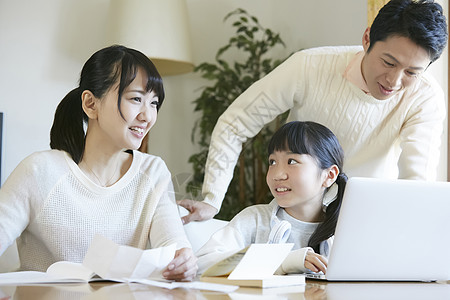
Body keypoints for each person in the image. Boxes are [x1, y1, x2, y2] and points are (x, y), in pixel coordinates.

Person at [178, 0, 448, 224]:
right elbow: (235, 123)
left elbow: (417, 182)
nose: (394, 80)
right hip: (294, 217)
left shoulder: (425, 97)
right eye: (388, 62)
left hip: (367, 223)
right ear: (367, 39)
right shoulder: (309, 67)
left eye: (412, 72)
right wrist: (211, 200)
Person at [0, 45, 197, 281]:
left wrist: (184, 262)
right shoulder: (39, 172)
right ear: (91, 104)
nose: (147, 116)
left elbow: (174, 246)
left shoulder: (153, 172)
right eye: (136, 99)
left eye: (154, 103)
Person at [196, 121, 347, 274]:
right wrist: (283, 261)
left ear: (329, 175)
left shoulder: (345, 229)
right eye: (272, 162)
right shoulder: (255, 220)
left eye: (292, 161)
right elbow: (202, 264)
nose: (277, 175)